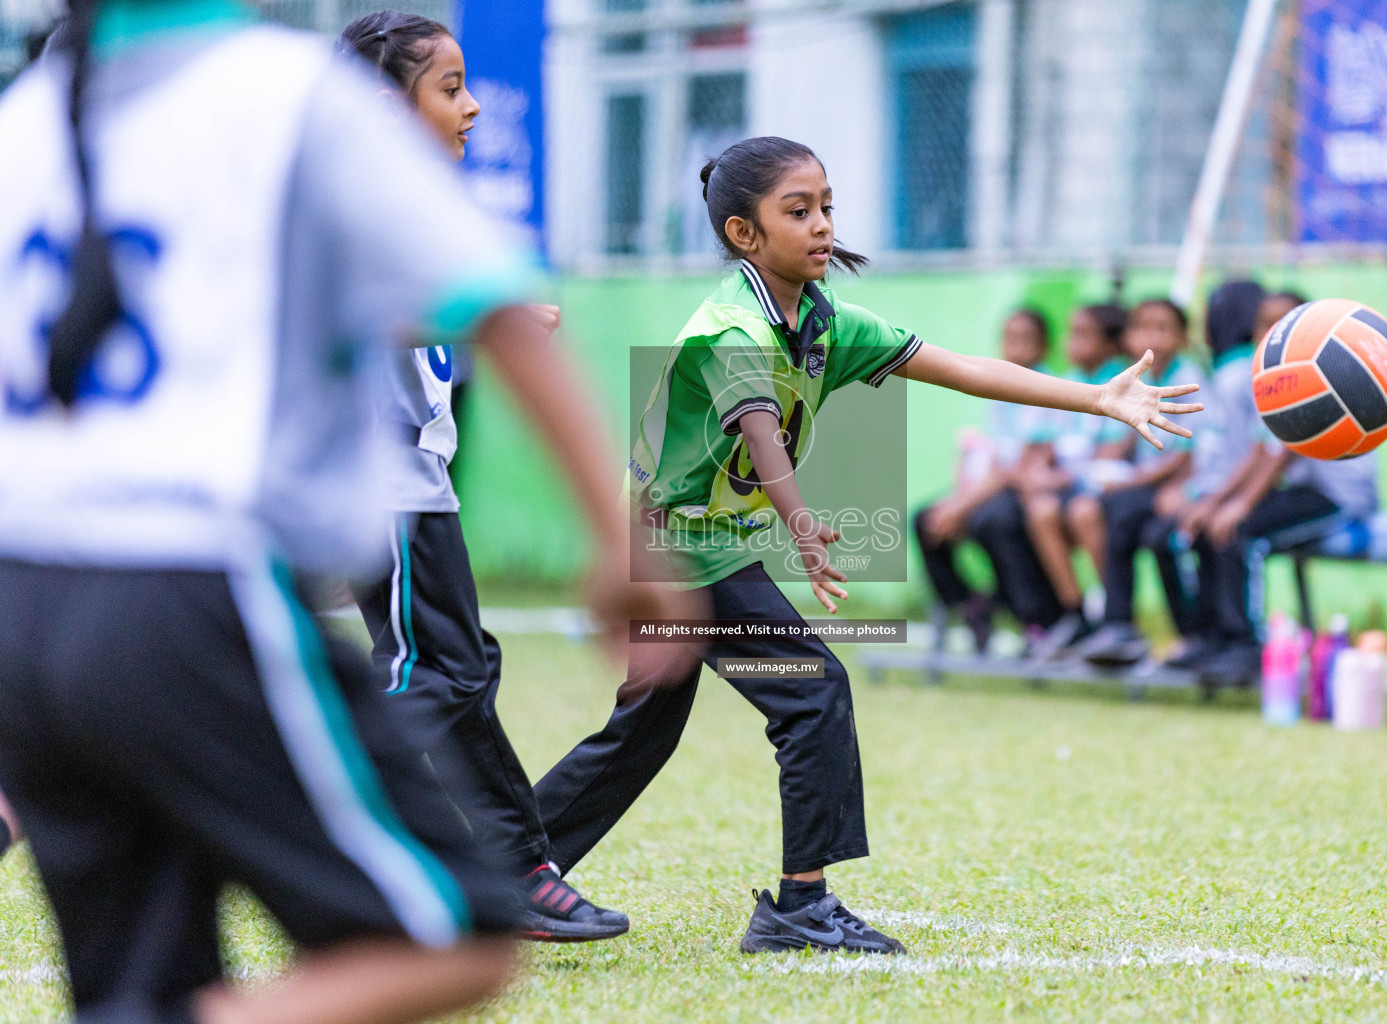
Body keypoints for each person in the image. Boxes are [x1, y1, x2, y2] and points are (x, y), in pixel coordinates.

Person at [0, 2, 689, 1023]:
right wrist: (623, 541)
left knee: (141, 970)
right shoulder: (289, 94)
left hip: (28, 595)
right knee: (453, 936)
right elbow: (497, 307)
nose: (462, 108)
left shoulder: (30, 115)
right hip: (180, 580)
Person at [530, 136, 1201, 955]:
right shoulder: (732, 325)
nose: (822, 225)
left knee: (648, 727)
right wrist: (803, 526)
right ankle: (799, 906)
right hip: (684, 555)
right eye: (798, 210)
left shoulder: (820, 320)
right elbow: (758, 430)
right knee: (811, 691)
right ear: (745, 234)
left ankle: (504, 869)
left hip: (694, 548)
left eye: (826, 207)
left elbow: (958, 366)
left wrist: (1097, 397)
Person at [337, 11, 628, 944]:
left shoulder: (408, 199)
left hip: (414, 482)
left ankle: (523, 874)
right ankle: (309, 793)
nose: (470, 109)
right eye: (449, 88)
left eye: (468, 86)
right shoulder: (360, 200)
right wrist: (473, 320)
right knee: (435, 673)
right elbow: (337, 320)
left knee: (460, 673)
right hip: (380, 485)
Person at [1175, 291, 1377, 684]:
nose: (1270, 334)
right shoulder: (1275, 379)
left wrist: (1240, 507)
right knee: (1208, 524)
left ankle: (1247, 643)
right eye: (1263, 325)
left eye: (1281, 325)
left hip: (1339, 498)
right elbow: (1257, 452)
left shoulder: (1316, 373)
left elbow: (1282, 453)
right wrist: (1214, 500)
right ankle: (1214, 635)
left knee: (1241, 532)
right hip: (1303, 487)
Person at [914, 308, 1064, 651]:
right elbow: (992, 455)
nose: (1015, 347)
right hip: (990, 487)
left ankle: (1035, 618)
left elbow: (1015, 468)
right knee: (925, 521)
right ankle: (972, 606)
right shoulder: (1002, 389)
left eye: (1025, 339)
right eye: (1009, 338)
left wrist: (961, 506)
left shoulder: (1044, 390)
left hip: (1014, 492)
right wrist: (958, 497)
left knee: (993, 521)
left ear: (1044, 347)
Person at [1073, 298, 1210, 665]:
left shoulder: (1189, 378)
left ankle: (1167, 630)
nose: (1152, 337)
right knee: (1112, 513)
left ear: (1183, 337)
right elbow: (1131, 437)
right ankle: (1117, 624)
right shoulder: (1140, 378)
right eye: (1143, 327)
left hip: (1180, 486)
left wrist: (1135, 481)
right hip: (1149, 484)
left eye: (1163, 328)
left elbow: (1186, 453)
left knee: (1129, 517)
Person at [1016, 303, 1130, 657]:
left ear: (1111, 343)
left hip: (1107, 486)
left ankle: (1117, 618)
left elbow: (1115, 451)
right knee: (1041, 510)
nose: (1072, 343)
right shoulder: (1069, 382)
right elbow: (1048, 443)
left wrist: (1061, 476)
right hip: (1071, 484)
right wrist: (1038, 473)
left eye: (1083, 335)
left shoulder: (1122, 380)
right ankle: (1076, 613)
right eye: (1071, 334)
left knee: (1083, 511)